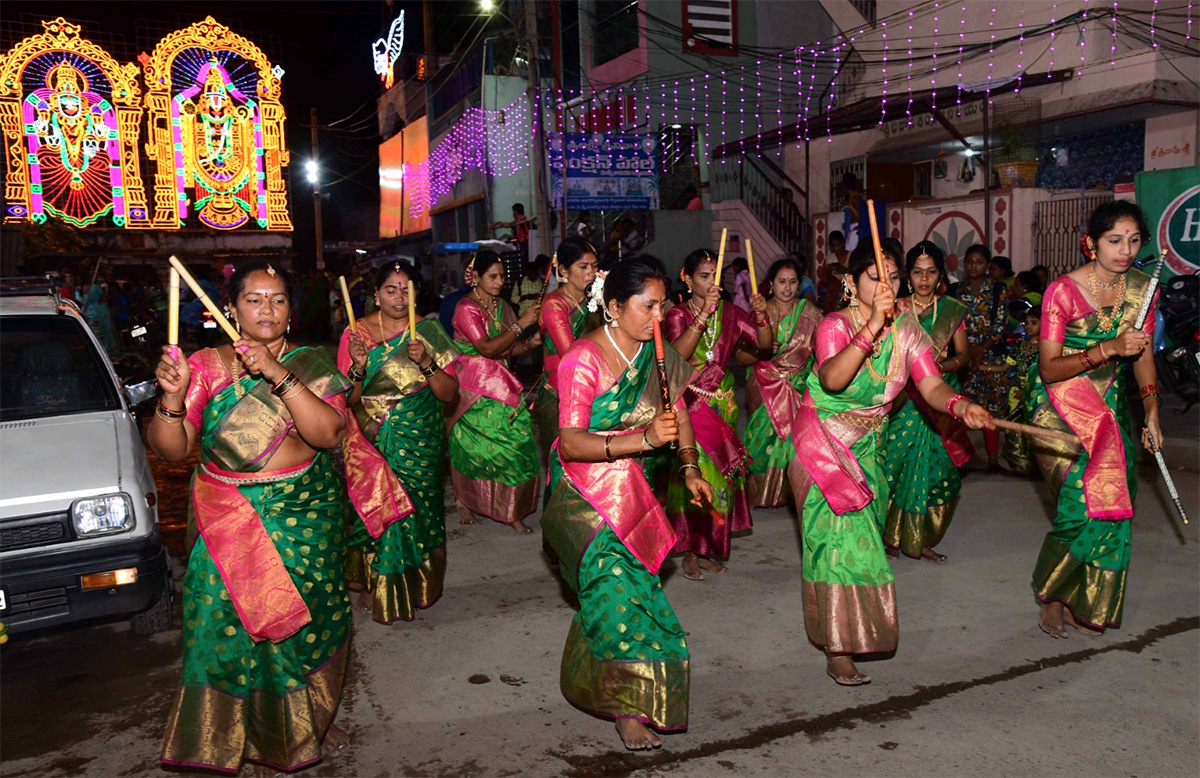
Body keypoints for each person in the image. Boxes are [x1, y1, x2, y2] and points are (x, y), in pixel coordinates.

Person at [150, 261, 355, 773]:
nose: (267, 308)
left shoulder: (310, 363)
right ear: (232, 308)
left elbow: (329, 434)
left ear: (291, 310)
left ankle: (307, 722)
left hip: (304, 515)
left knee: (306, 625)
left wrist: (277, 374)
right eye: (254, 299)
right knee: (228, 630)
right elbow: (173, 452)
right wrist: (171, 402)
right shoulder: (205, 366)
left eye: (278, 299)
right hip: (228, 519)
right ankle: (229, 734)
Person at [788, 240, 991, 685]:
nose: (888, 285)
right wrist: (874, 324)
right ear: (851, 282)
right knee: (838, 544)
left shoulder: (909, 330)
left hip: (870, 447)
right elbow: (833, 379)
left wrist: (960, 406)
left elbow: (932, 386)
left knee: (866, 543)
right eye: (876, 276)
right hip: (823, 442)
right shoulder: (834, 326)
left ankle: (847, 633)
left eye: (893, 277)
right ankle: (839, 648)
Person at [542, 257, 712, 751]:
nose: (659, 317)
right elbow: (571, 442)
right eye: (648, 306)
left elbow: (678, 413)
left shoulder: (654, 353)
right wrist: (638, 440)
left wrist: (689, 468)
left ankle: (611, 682)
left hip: (638, 491)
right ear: (614, 307)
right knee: (617, 594)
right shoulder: (583, 359)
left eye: (662, 305)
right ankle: (625, 709)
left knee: (628, 598)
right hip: (588, 497)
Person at [1029, 201, 1161, 639]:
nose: (1125, 250)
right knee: (1076, 506)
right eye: (1114, 240)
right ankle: (1052, 595)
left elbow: (1140, 353)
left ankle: (1084, 600)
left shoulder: (1144, 289)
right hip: (1058, 405)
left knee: (1111, 503)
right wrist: (1107, 350)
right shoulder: (1062, 292)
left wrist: (1153, 409)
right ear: (1090, 244)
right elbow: (1049, 368)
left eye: (1134, 240)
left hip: (1111, 404)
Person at [339, 261, 461, 624]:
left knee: (417, 510)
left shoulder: (428, 330)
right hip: (372, 440)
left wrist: (426, 362)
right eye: (390, 289)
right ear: (376, 295)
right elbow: (348, 399)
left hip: (420, 440)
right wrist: (359, 365)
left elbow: (448, 394)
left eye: (406, 289)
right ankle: (374, 585)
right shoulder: (355, 334)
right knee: (380, 511)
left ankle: (416, 584)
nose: (398, 296)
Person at [662, 249, 773, 581]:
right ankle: (690, 551)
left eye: (715, 276)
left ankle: (709, 545)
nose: (711, 282)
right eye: (703, 276)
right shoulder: (678, 314)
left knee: (720, 479)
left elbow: (765, 346)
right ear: (687, 277)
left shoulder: (731, 313)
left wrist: (762, 316)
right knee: (693, 475)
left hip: (722, 405)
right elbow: (677, 356)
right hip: (690, 404)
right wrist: (703, 315)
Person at [880, 241, 973, 562]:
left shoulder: (952, 310)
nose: (924, 279)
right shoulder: (895, 308)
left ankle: (920, 539)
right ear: (908, 276)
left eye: (931, 272)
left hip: (939, 397)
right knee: (892, 468)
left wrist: (937, 366)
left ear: (940, 276)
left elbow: (963, 356)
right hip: (903, 399)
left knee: (942, 475)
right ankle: (888, 536)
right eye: (918, 272)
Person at [448, 250, 543, 533]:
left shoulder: (502, 305)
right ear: (475, 277)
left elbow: (506, 348)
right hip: (472, 387)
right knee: (472, 449)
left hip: (501, 384)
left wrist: (530, 343)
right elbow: (487, 349)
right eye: (492, 276)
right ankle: (464, 500)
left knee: (517, 442)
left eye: (502, 276)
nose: (499, 281)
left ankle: (512, 509)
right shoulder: (466, 309)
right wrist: (522, 325)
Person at [743, 258, 822, 508]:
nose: (787, 288)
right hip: (764, 384)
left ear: (799, 285)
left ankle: (789, 492)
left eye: (793, 282)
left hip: (798, 384)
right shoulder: (759, 311)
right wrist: (761, 350)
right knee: (762, 437)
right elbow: (740, 355)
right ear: (771, 284)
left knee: (793, 441)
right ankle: (759, 492)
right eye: (781, 281)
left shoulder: (810, 313)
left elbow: (822, 350)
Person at [536, 238, 598, 466]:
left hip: (595, 389)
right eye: (583, 267)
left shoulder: (596, 300)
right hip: (560, 393)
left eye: (594, 266)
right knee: (564, 466)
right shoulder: (555, 304)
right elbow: (571, 355)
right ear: (563, 270)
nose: (591, 273)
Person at [954, 244, 1010, 471]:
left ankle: (993, 460)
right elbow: (954, 323)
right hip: (964, 358)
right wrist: (967, 351)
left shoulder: (998, 289)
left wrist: (981, 349)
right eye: (969, 261)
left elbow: (1001, 323)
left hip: (990, 358)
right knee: (963, 408)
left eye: (978, 262)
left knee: (992, 410)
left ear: (987, 265)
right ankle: (962, 459)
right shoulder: (956, 290)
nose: (973, 266)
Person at [996, 303, 1041, 474]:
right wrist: (981, 368)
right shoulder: (1019, 347)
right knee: (1014, 426)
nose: (1028, 327)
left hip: (1037, 393)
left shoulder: (1046, 348)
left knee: (1034, 427)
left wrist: (1028, 390)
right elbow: (1005, 367)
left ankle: (1036, 465)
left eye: (1034, 322)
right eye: (1026, 323)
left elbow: (1044, 374)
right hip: (1017, 391)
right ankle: (1017, 460)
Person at [819, 231, 850, 314]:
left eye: (838, 245)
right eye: (833, 246)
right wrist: (828, 273)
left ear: (843, 242)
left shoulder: (852, 256)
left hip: (849, 291)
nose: (836, 248)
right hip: (833, 295)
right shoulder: (829, 259)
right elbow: (824, 281)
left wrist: (845, 270)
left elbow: (858, 273)